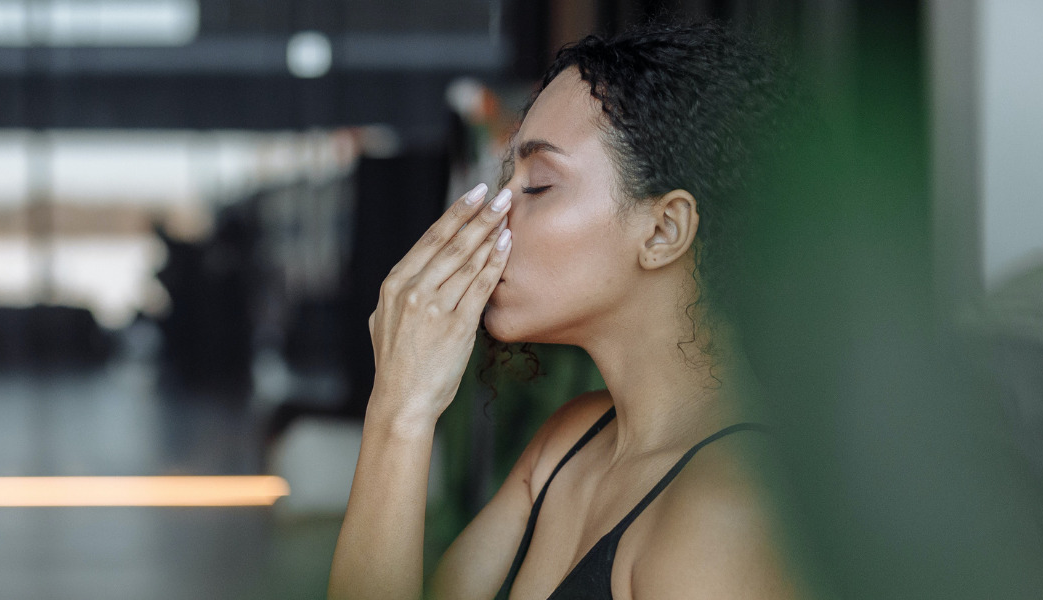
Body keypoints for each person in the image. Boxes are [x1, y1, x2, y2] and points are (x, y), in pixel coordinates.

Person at [328, 21, 796, 600]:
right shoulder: (567, 444)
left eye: (538, 185)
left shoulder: (726, 514)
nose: (494, 216)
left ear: (663, 231)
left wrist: (400, 413)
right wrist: (401, 410)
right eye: (504, 181)